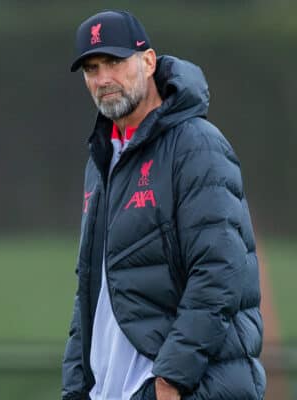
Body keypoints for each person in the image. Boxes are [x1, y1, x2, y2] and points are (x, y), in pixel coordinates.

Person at [62, 10, 265, 400]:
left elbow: (218, 272)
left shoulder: (196, 144)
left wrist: (170, 380)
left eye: (115, 62)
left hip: (179, 388)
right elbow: (91, 284)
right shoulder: (102, 157)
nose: (103, 79)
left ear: (149, 61)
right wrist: (75, 385)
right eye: (91, 68)